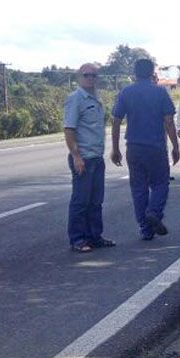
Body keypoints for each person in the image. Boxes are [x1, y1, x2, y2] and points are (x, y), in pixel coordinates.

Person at [111, 58, 180, 240]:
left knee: (139, 187)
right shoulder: (160, 93)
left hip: (133, 147)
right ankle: (154, 213)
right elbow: (168, 121)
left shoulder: (126, 92)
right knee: (160, 183)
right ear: (152, 73)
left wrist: (115, 148)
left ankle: (145, 228)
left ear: (134, 73)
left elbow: (116, 121)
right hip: (155, 147)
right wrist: (175, 146)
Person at [63, 63, 114, 252]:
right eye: (87, 75)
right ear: (79, 77)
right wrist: (76, 156)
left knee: (96, 201)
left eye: (94, 75)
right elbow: (69, 129)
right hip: (83, 157)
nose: (91, 78)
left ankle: (95, 236)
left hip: (96, 157)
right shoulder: (75, 99)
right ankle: (78, 239)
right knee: (80, 202)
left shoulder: (95, 98)